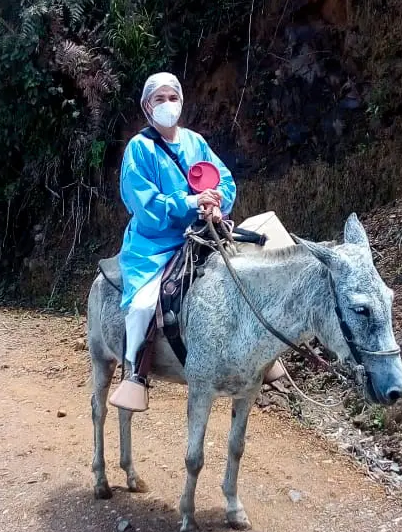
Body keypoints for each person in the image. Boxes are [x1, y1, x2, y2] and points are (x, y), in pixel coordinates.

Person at [109, 72, 283, 412]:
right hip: (154, 243)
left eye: (172, 97)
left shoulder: (195, 142)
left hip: (202, 232)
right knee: (144, 303)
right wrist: (188, 202)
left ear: (181, 101)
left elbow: (224, 179)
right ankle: (135, 371)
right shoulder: (138, 150)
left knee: (247, 270)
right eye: (159, 99)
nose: (167, 105)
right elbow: (142, 205)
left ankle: (260, 352)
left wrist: (216, 201)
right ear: (147, 107)